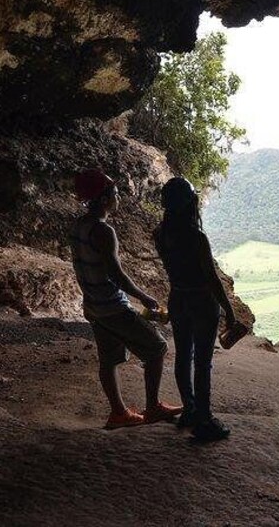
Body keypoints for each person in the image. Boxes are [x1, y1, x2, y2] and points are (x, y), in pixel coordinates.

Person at [70, 169, 182, 429]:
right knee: (157, 348)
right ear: (103, 198)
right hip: (111, 306)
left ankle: (119, 413)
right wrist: (144, 297)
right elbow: (116, 275)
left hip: (93, 306)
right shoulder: (103, 231)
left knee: (108, 360)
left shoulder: (78, 226)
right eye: (115, 193)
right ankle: (152, 408)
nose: (118, 197)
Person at [153, 177, 241, 442]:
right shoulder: (197, 237)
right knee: (202, 362)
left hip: (178, 298)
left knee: (183, 356)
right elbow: (211, 279)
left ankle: (190, 410)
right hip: (202, 303)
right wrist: (229, 310)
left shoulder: (160, 234)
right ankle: (204, 421)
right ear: (190, 203)